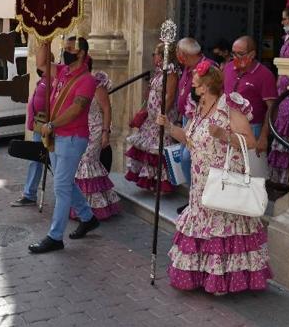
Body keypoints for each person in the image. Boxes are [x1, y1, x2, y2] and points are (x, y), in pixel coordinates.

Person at [158, 62, 272, 294]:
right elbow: (190, 140)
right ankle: (203, 276)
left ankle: (226, 281)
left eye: (195, 80)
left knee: (222, 229)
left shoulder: (228, 105)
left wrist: (223, 134)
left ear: (207, 83)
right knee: (203, 229)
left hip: (223, 180)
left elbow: (249, 141)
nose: (192, 83)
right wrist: (169, 127)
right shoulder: (198, 107)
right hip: (200, 184)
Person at [29, 37, 99, 253]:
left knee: (60, 186)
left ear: (81, 54)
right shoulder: (61, 71)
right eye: (64, 49)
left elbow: (77, 110)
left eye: (70, 49)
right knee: (65, 182)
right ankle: (87, 217)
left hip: (72, 137)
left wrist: (52, 124)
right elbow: (41, 64)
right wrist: (44, 41)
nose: (65, 52)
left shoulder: (87, 80)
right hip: (57, 136)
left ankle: (55, 236)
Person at [125, 41, 178, 193]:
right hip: (151, 115)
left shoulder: (171, 71)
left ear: (162, 56)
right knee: (149, 147)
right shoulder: (159, 71)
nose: (153, 56)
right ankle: (151, 181)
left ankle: (161, 183)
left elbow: (170, 95)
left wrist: (162, 113)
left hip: (162, 115)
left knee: (159, 147)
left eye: (155, 54)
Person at [72, 66, 120, 220]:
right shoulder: (76, 83)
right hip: (82, 129)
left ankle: (93, 208)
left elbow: (107, 108)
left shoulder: (96, 83)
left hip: (97, 129)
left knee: (87, 163)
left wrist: (106, 132)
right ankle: (83, 207)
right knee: (82, 164)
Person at [223, 35, 277, 157]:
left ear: (252, 55)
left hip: (252, 129)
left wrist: (263, 136)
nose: (235, 57)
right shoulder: (228, 68)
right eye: (233, 53)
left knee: (250, 171)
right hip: (227, 125)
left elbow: (272, 107)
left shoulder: (265, 75)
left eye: (240, 54)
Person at [175, 38, 213, 189]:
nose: (177, 55)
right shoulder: (187, 67)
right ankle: (193, 195)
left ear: (184, 54)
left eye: (178, 52)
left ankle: (198, 193)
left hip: (199, 119)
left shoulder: (208, 68)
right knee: (184, 157)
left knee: (187, 157)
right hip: (186, 117)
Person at [268, 0, 289, 188]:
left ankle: (288, 179)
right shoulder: (287, 39)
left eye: (285, 19)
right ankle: (278, 178)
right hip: (282, 92)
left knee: (286, 129)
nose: (282, 22)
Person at [10, 67, 48, 207]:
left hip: (47, 127)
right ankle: (30, 194)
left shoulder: (52, 80)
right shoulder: (42, 80)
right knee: (35, 159)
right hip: (39, 126)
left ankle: (30, 194)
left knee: (46, 161)